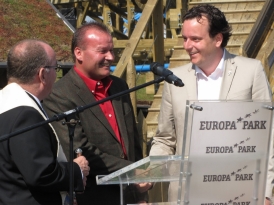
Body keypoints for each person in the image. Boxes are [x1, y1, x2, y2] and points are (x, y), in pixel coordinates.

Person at [149, 4, 273, 205]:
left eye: (195, 39)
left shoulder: (251, 71)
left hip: (240, 192)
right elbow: (164, 139)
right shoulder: (175, 78)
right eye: (185, 38)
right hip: (187, 195)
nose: (187, 46)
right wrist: (148, 175)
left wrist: (266, 192)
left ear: (217, 39)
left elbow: (268, 136)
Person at [43, 21, 151, 205]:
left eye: (112, 50)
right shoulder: (59, 94)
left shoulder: (119, 86)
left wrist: (140, 188)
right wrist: (132, 171)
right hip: (94, 197)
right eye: (102, 51)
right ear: (79, 53)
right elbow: (79, 150)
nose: (110, 57)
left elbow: (132, 142)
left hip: (130, 195)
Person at [0, 39, 90, 205]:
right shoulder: (24, 115)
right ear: (42, 74)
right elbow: (41, 173)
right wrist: (76, 169)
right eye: (55, 68)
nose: (56, 75)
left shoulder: (5, 102)